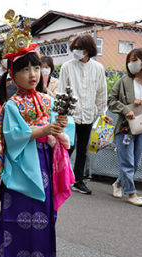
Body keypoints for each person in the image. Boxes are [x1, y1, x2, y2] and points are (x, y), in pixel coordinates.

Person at [0, 10, 74, 257]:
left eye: (36, 67)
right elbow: (13, 137)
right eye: (24, 68)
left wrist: (58, 135)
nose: (33, 74)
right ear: (12, 74)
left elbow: (59, 131)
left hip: (44, 160)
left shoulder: (46, 100)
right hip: (23, 164)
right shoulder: (12, 104)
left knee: (43, 210)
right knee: (25, 209)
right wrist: (45, 130)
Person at [59, 34, 113, 194]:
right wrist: (61, 113)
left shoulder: (98, 68)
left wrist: (102, 112)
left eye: (79, 48)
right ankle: (59, 176)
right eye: (74, 48)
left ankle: (78, 180)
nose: (76, 51)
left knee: (82, 149)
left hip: (88, 113)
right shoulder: (67, 66)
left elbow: (102, 91)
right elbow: (62, 91)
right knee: (68, 147)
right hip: (69, 114)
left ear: (88, 50)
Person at [108, 48, 142, 206]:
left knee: (135, 162)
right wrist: (126, 110)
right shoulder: (124, 80)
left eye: (135, 60)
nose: (131, 64)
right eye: (129, 61)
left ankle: (118, 184)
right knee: (127, 162)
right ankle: (132, 194)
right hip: (125, 128)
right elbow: (111, 100)